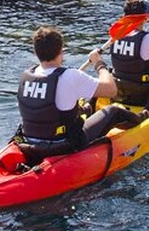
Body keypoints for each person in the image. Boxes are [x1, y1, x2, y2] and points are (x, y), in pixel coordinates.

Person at [15, 26, 140, 165]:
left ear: (36, 51)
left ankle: (87, 109)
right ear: (60, 51)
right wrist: (99, 64)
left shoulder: (26, 76)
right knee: (114, 111)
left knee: (85, 100)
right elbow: (111, 90)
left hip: (30, 141)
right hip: (64, 143)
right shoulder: (70, 76)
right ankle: (143, 118)